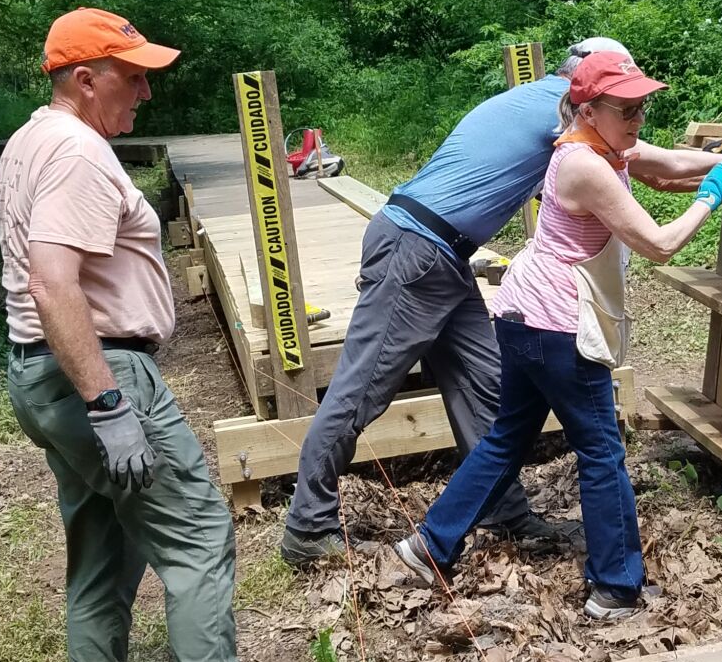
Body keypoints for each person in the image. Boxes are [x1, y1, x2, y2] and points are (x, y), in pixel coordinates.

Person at [0, 8, 323, 662]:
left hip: (43, 380)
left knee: (104, 549)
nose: (144, 90)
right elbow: (51, 281)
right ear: (84, 79)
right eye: (131, 74)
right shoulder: (75, 152)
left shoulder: (30, 140)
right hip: (94, 376)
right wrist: (109, 404)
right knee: (201, 536)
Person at [394, 51, 722, 616]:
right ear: (588, 108)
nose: (637, 121)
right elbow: (660, 243)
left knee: (507, 436)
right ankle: (615, 588)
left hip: (522, 316)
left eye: (642, 108)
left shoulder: (605, 142)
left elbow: (668, 160)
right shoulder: (584, 166)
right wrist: (713, 193)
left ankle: (428, 544)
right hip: (556, 326)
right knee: (601, 452)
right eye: (626, 110)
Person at [280, 38, 670, 565]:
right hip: (415, 250)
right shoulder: (558, 109)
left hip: (443, 256)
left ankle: (502, 511)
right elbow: (647, 163)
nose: (626, 107)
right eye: (617, 93)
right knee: (361, 389)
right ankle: (308, 527)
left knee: (484, 381)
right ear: (582, 87)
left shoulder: (539, 103)